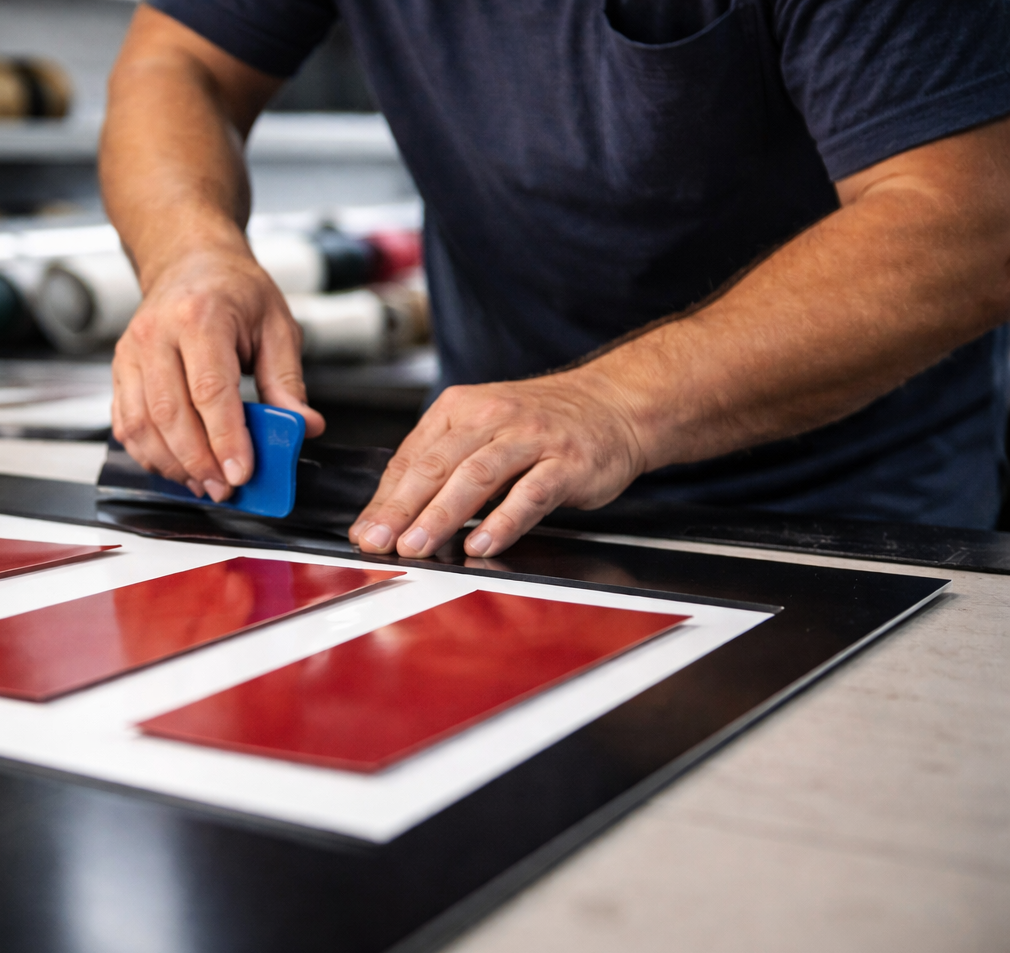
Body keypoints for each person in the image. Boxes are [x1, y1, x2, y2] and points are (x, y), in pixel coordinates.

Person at [100, 0, 1010, 559]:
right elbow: (176, 62)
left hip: (844, 514)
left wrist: (616, 402)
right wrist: (191, 252)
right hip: (498, 500)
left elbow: (970, 216)